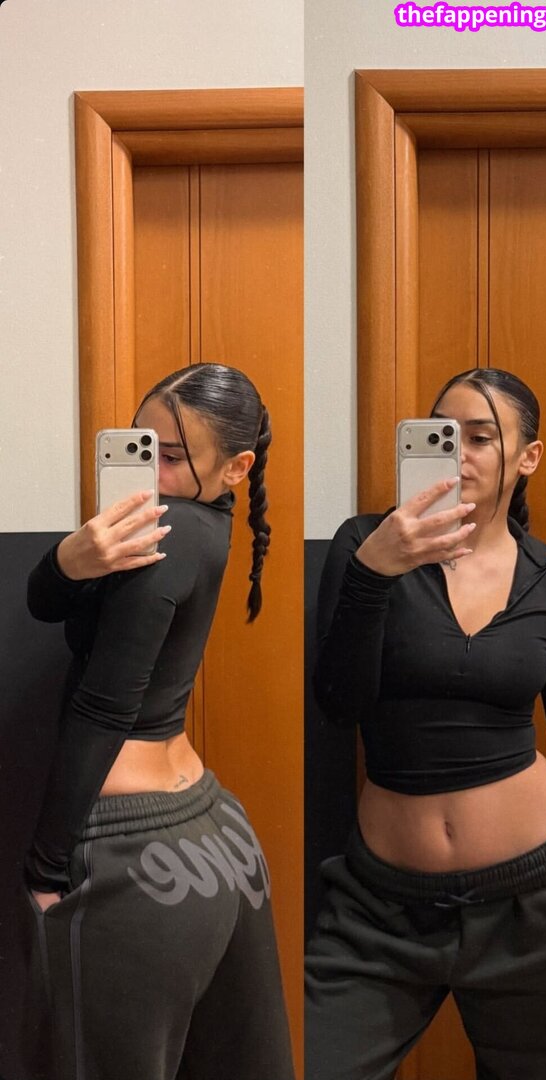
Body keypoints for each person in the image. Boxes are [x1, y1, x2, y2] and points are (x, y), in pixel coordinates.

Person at [305, 367, 546, 1080]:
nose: (459, 454)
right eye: (443, 433)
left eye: (480, 437)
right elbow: (339, 706)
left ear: (527, 457)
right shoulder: (364, 544)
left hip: (543, 902)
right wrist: (374, 575)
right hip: (382, 907)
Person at [22, 362, 295, 1080]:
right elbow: (44, 601)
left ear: (236, 468)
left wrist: (44, 870)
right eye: (141, 448)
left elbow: (105, 706)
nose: (151, 474)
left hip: (132, 847)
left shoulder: (165, 535)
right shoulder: (206, 523)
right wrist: (71, 559)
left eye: (171, 457)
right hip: (214, 829)